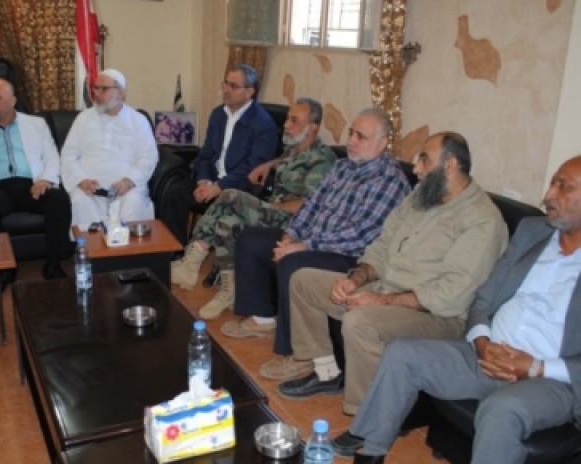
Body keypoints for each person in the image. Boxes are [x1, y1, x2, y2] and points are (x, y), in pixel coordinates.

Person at [334, 155, 581, 464]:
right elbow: (484, 299)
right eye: (552, 183)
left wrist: (535, 367)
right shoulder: (533, 232)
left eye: (564, 187)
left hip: (550, 380)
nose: (548, 195)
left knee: (501, 410)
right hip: (486, 355)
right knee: (401, 354)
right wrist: (483, 343)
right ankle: (369, 453)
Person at [278, 132, 509, 415]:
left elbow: (452, 294)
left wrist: (380, 302)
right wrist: (354, 279)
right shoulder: (421, 197)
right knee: (303, 280)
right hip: (388, 290)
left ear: (450, 165)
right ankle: (326, 372)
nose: (416, 169)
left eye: (424, 160)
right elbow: (381, 247)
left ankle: (368, 417)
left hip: (440, 316)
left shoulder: (482, 220)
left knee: (359, 321)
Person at [219, 108, 411, 382]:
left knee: (292, 263)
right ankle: (262, 318)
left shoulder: (389, 181)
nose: (351, 141)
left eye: (361, 137)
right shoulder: (342, 167)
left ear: (383, 144)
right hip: (314, 241)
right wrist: (291, 235)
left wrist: (303, 246)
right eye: (351, 133)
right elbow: (311, 205)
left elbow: (360, 236)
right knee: (251, 239)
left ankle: (299, 355)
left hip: (350, 257)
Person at [171, 98, 337, 319]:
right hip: (274, 212)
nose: (286, 124)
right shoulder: (294, 148)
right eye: (287, 118)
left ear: (312, 128)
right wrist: (268, 165)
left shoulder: (322, 160)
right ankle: (230, 289)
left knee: (230, 195)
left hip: (294, 224)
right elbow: (284, 161)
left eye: (294, 120)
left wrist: (272, 206)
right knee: (227, 222)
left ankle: (192, 261)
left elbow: (308, 205)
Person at [0, 77, 72, 280]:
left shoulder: (37, 124)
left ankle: (53, 264)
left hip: (32, 185)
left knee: (59, 199)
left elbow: (52, 158)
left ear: (13, 101)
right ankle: (5, 268)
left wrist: (45, 180)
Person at [159, 64, 279, 246]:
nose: (226, 90)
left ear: (249, 92)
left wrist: (219, 187)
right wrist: (204, 181)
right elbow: (206, 153)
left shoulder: (263, 124)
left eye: (233, 86)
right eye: (225, 84)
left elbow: (252, 168)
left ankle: (198, 252)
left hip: (238, 188)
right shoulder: (218, 114)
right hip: (212, 180)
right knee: (175, 192)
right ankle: (174, 248)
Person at [60, 69, 158, 229]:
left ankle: (126, 246)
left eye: (103, 89)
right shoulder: (83, 119)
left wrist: (129, 181)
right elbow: (68, 155)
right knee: (80, 201)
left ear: (120, 92)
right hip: (90, 190)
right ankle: (91, 245)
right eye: (96, 88)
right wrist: (81, 180)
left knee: (133, 203)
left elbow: (148, 157)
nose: (97, 94)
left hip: (126, 189)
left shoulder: (138, 121)